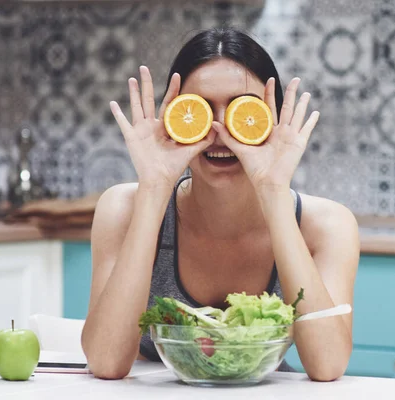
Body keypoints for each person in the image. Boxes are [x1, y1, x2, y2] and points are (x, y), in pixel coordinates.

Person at [81, 27, 359, 382]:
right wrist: (154, 188)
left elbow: (329, 365)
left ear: (272, 119)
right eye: (198, 111)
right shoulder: (123, 208)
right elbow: (106, 363)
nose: (221, 130)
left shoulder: (327, 226)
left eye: (244, 111)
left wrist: (273, 190)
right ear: (173, 117)